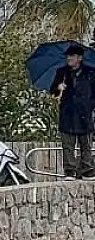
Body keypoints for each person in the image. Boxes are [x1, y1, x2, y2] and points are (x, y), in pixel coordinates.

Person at [50, 45, 95, 179]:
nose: (69, 58)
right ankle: (70, 170)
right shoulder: (61, 72)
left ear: (79, 58)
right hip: (67, 114)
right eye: (68, 56)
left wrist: (90, 106)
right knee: (68, 145)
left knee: (86, 144)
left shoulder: (91, 73)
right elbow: (53, 91)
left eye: (72, 56)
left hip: (85, 114)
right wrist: (58, 87)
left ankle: (87, 170)